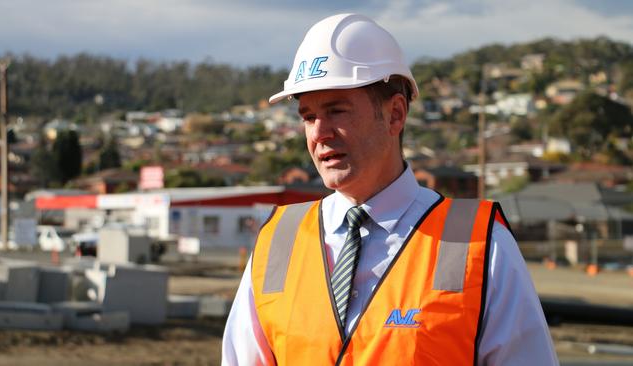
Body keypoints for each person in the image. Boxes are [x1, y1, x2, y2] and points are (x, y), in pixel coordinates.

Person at [222, 13, 558, 365]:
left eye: (337, 110)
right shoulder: (278, 241)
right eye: (308, 117)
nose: (319, 133)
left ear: (396, 114)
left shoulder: (477, 243)